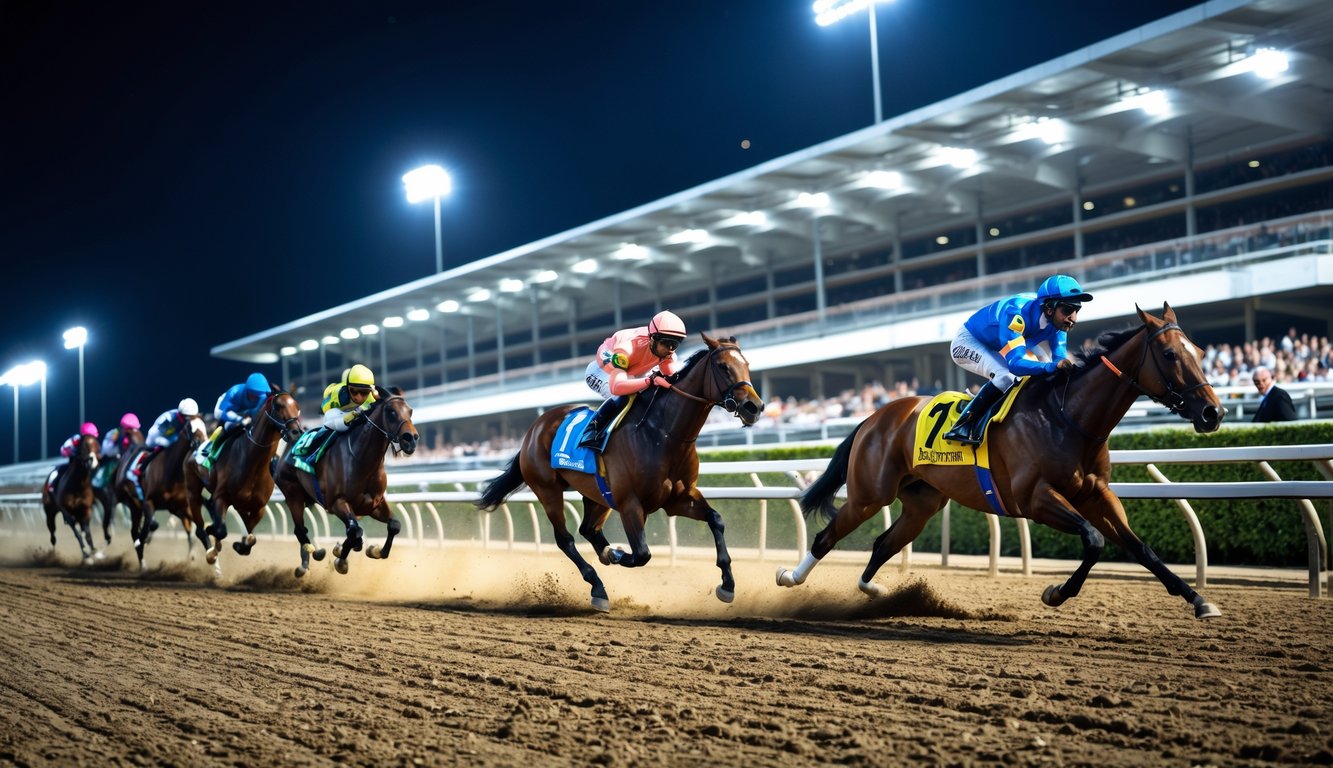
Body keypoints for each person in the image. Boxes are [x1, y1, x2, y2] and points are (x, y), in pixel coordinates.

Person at [943, 274, 1092, 445]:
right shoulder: (1016, 313)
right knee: (1005, 376)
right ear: (1050, 308)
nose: (1073, 318)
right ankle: (963, 425)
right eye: (1067, 310)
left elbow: (1059, 363)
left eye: (1076, 310)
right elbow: (1015, 365)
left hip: (1000, 342)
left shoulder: (1058, 324)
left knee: (1045, 365)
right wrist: (1052, 367)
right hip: (968, 341)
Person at [578, 310, 686, 451]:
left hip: (630, 373)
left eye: (675, 343)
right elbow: (617, 387)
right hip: (603, 371)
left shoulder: (666, 353)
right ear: (653, 338)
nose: (671, 349)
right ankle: (592, 431)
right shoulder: (627, 347)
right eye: (667, 343)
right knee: (624, 397)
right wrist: (650, 380)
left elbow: (673, 381)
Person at [289, 364, 378, 472]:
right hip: (331, 411)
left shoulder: (371, 395)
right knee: (339, 428)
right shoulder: (341, 395)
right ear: (347, 387)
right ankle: (312, 457)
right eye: (354, 391)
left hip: (350, 410)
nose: (358, 397)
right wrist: (347, 418)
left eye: (364, 392)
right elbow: (327, 418)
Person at [196, 372, 271, 468]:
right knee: (229, 427)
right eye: (255, 396)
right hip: (226, 409)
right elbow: (219, 412)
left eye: (259, 396)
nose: (257, 398)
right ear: (248, 391)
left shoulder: (262, 396)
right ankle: (210, 449)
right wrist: (239, 419)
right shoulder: (235, 391)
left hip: (245, 413)